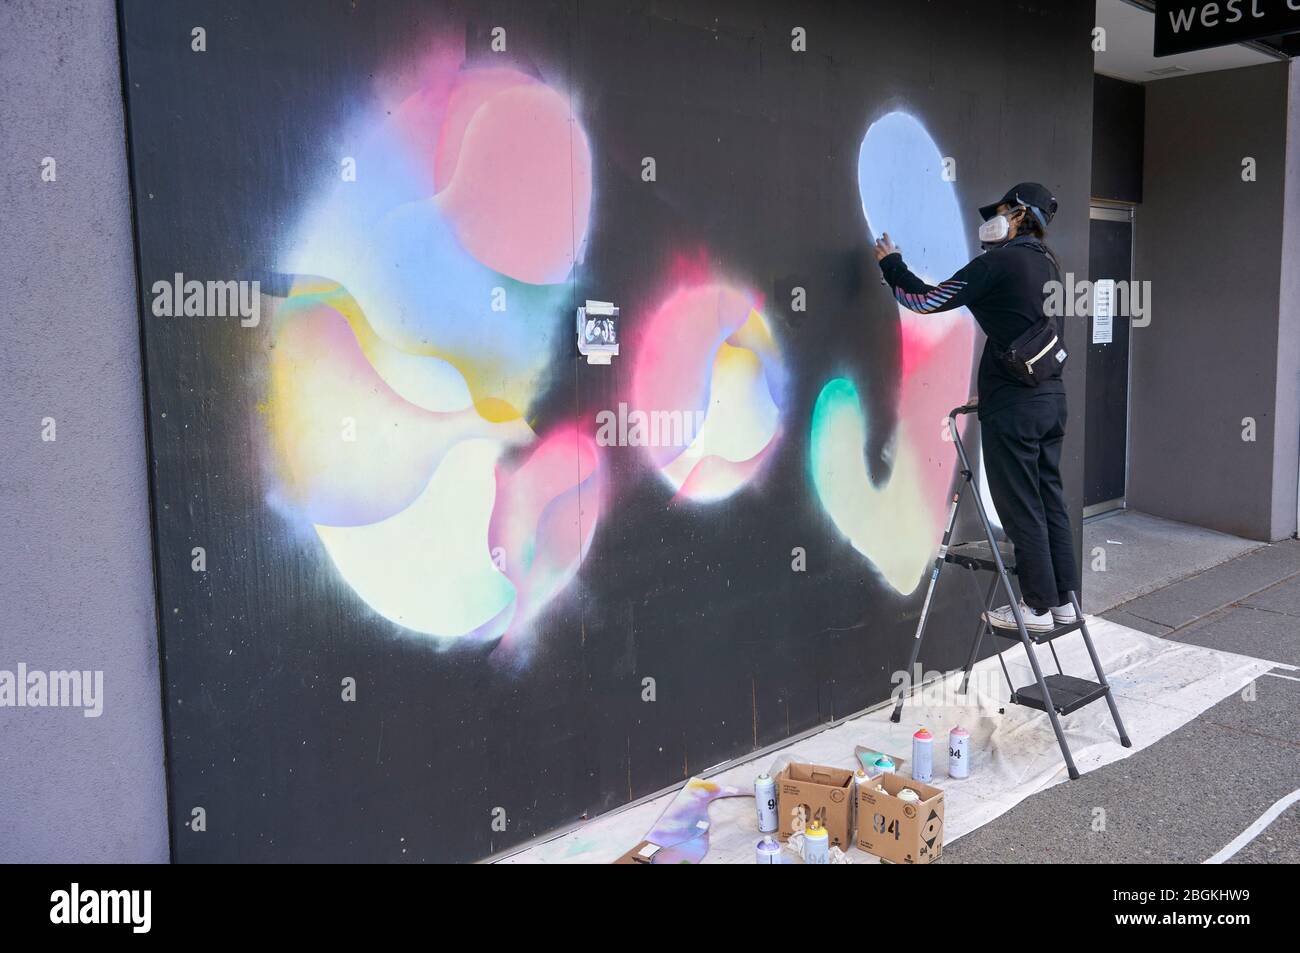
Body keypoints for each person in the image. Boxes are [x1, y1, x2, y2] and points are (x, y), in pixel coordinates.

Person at [872, 182, 1076, 632]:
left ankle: (1037, 608)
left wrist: (891, 265)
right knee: (1048, 500)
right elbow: (1028, 334)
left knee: (1020, 503)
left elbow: (924, 301)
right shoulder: (1047, 265)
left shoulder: (998, 263)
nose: (991, 218)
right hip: (1049, 400)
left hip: (1016, 411)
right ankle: (1065, 602)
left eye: (1001, 210)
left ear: (1020, 215)